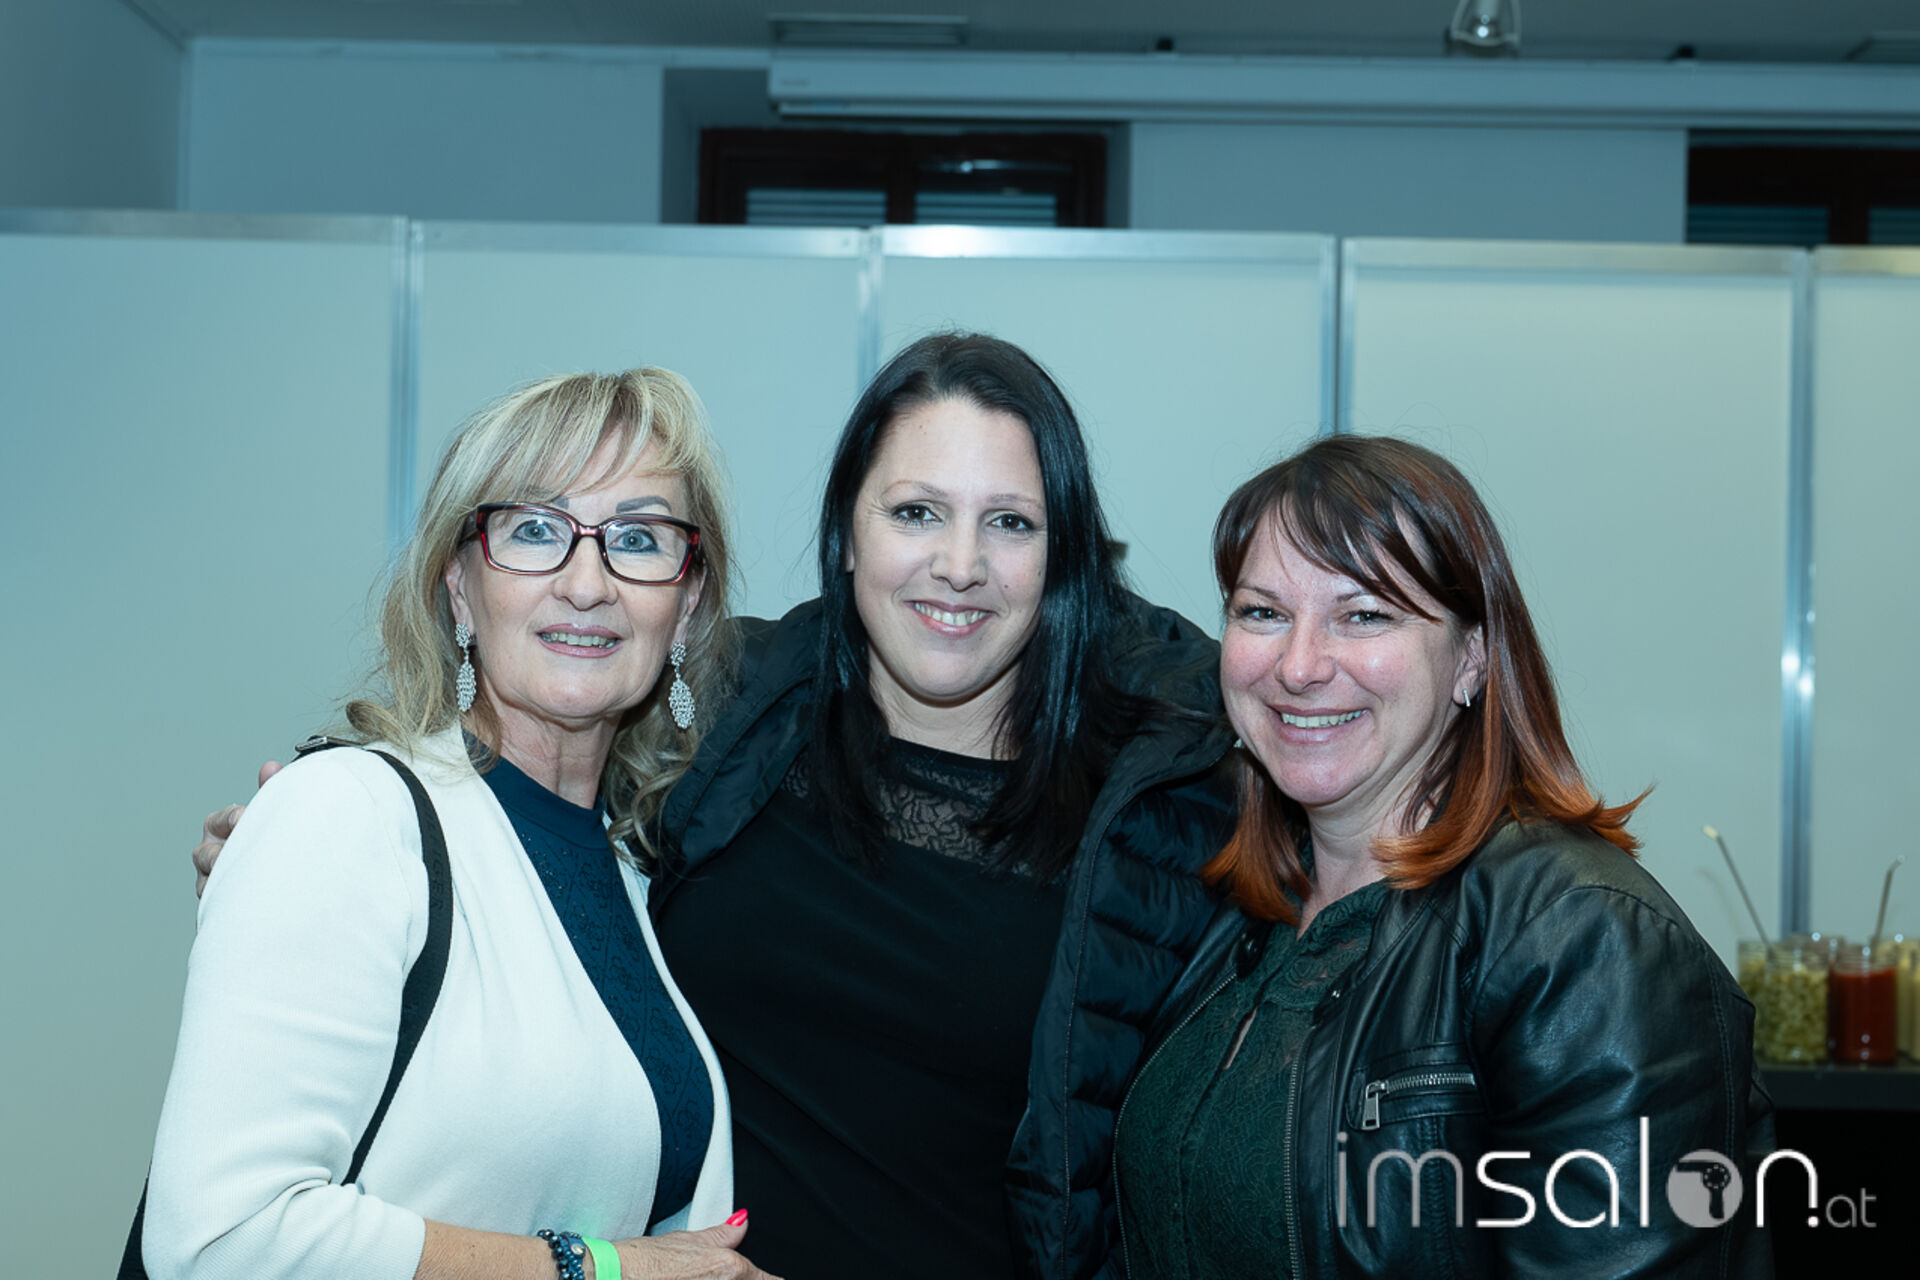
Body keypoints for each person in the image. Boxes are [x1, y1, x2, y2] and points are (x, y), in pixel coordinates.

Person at [193, 334, 1238, 1280]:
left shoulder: (1157, 816)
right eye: (916, 511)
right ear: (847, 532)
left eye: (1010, 522)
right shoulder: (740, 737)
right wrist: (303, 863)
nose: (958, 564)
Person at [146, 369, 775, 1280]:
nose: (587, 583)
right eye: (535, 530)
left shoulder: (638, 872)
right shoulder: (348, 814)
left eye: (638, 539)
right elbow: (223, 1238)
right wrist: (605, 1271)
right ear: (458, 585)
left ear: (686, 604)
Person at [1110, 435, 1772, 1277]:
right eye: (1263, 613)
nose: (1299, 666)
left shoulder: (1581, 940)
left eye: (1364, 615)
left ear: (1472, 657)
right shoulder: (1237, 917)